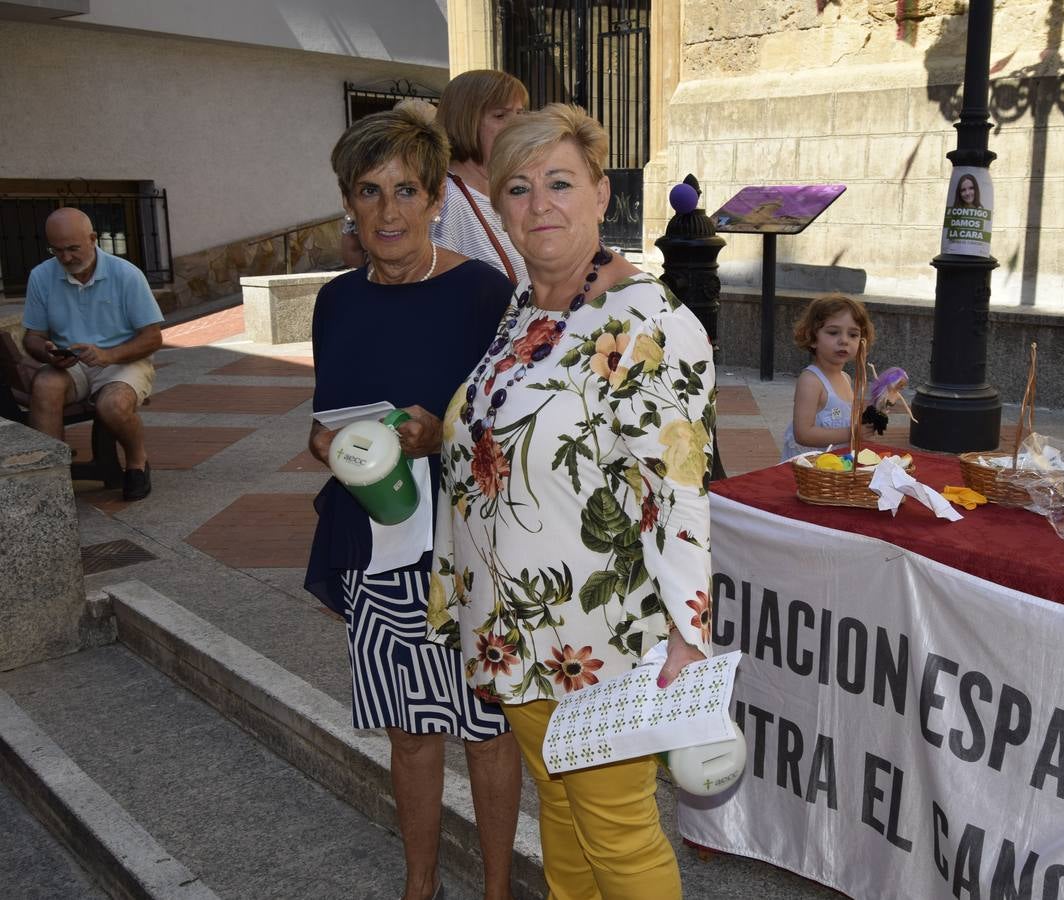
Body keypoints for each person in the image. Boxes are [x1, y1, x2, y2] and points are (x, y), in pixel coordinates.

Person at [428, 104, 714, 900]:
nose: (539, 203)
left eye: (560, 182)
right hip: (516, 628)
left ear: (600, 193)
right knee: (559, 808)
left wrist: (689, 637)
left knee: (618, 834)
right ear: (498, 208)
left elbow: (679, 489)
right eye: (517, 188)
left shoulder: (648, 319)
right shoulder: (529, 307)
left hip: (603, 634)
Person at [304, 105, 522, 900]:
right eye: (370, 192)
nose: (388, 212)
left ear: (437, 201)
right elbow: (325, 422)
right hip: (382, 541)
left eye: (406, 191)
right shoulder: (336, 301)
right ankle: (419, 885)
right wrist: (330, 447)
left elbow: (517, 435)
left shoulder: (484, 294)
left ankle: (497, 889)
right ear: (349, 203)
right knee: (409, 728)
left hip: (472, 546)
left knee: (488, 728)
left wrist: (445, 438)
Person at [22, 207, 163, 501]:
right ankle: (52, 480)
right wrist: (47, 353)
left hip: (123, 359)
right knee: (45, 385)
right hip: (71, 363)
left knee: (113, 405)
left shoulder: (126, 275)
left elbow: (152, 337)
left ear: (93, 238)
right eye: (57, 250)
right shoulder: (41, 276)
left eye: (73, 248)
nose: (66, 258)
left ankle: (137, 462)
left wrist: (109, 356)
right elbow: (32, 337)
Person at [432, 69, 528, 281]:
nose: (517, 126)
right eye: (500, 115)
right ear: (465, 121)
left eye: (520, 114)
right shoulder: (446, 200)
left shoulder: (507, 191)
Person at [781, 292, 876, 461]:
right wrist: (852, 433)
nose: (844, 341)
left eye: (853, 335)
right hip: (808, 469)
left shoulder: (846, 379)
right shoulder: (811, 381)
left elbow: (844, 418)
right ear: (812, 338)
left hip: (835, 468)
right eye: (833, 333)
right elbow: (803, 434)